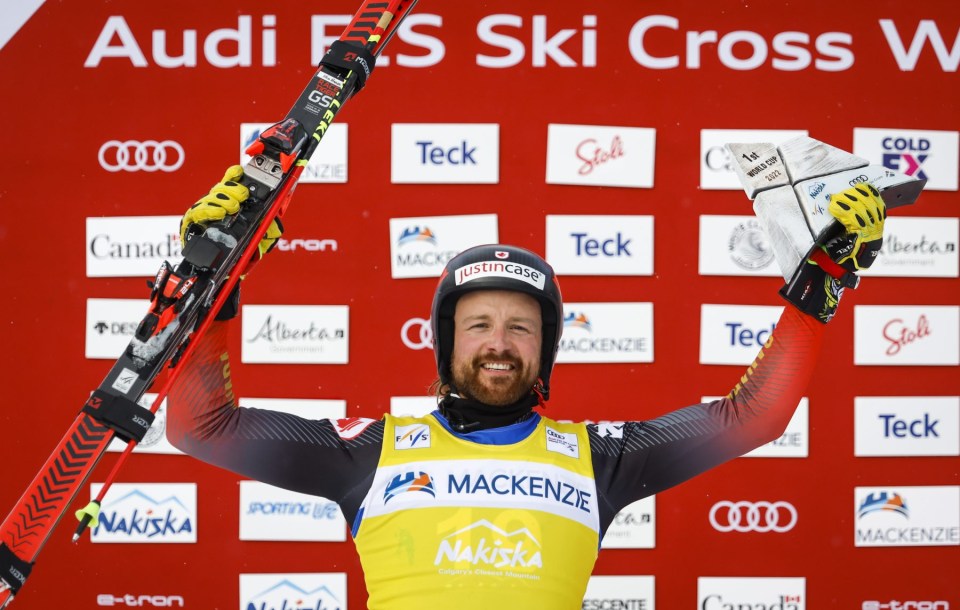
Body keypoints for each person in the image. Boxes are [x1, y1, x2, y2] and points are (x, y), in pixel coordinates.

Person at [167, 166, 887, 609]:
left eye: (522, 328)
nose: (499, 344)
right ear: (445, 342)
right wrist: (217, 288)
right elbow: (202, 426)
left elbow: (754, 416)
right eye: (478, 323)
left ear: (545, 353)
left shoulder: (600, 457)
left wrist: (818, 287)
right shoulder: (372, 450)